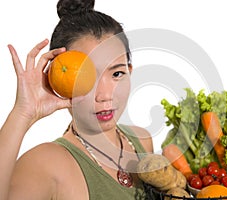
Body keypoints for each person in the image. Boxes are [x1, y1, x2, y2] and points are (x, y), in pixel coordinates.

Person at [0, 0, 153, 199]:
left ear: (129, 72)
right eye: (86, 77)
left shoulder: (142, 140)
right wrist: (22, 114)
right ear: (57, 80)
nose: (105, 95)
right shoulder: (47, 164)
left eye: (117, 74)